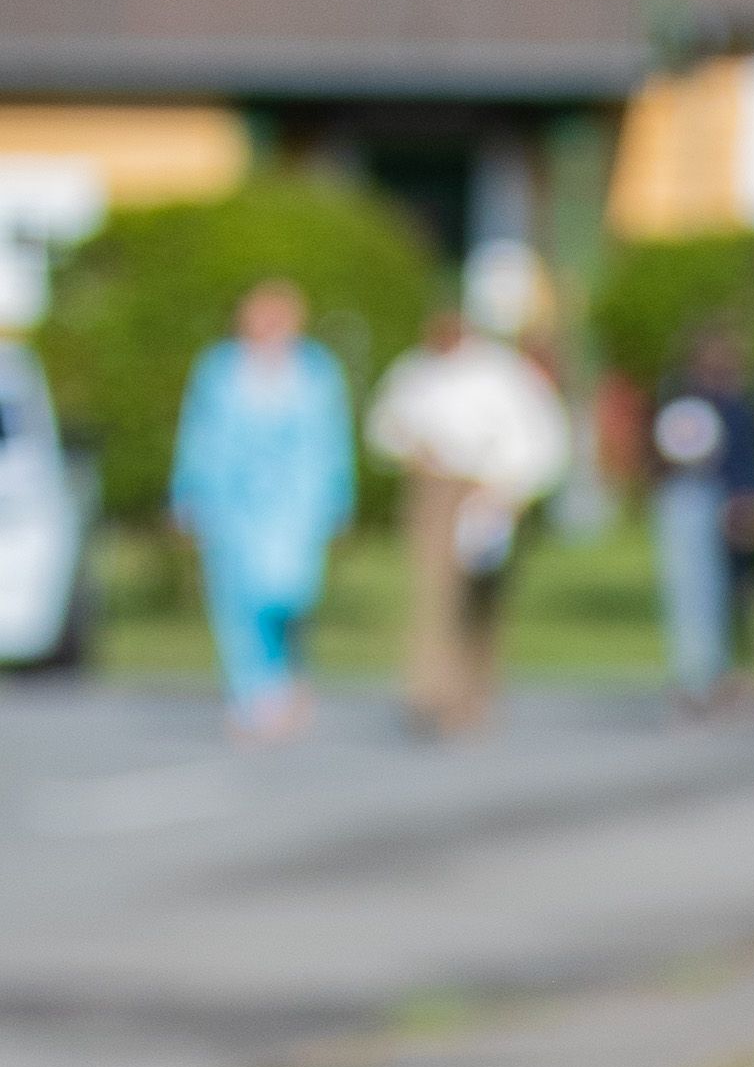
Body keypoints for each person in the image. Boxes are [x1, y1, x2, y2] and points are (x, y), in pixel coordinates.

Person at [367, 306, 570, 735]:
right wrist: (410, 447)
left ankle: (475, 692)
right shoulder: (414, 371)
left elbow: (542, 438)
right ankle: (430, 692)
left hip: (488, 491)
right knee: (434, 594)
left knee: (481, 597)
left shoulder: (502, 374)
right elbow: (383, 429)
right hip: (435, 488)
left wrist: (510, 489)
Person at [168, 278, 355, 738]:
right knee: (236, 600)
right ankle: (253, 694)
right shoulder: (218, 368)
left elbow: (332, 441)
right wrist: (186, 493)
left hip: (295, 506)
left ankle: (287, 676)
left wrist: (338, 499)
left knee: (287, 595)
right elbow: (199, 435)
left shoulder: (316, 371)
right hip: (231, 503)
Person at [644, 325, 754, 710]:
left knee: (737, 594)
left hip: (730, 503)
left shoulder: (741, 405)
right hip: (687, 499)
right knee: (689, 592)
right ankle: (696, 679)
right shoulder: (679, 398)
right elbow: (660, 447)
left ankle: (733, 674)